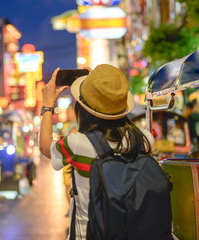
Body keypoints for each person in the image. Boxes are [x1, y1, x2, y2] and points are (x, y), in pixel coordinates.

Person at [39, 64, 154, 239]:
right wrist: (105, 94)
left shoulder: (77, 144)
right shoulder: (145, 140)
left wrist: (47, 106)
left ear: (84, 108)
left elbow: (44, 145)